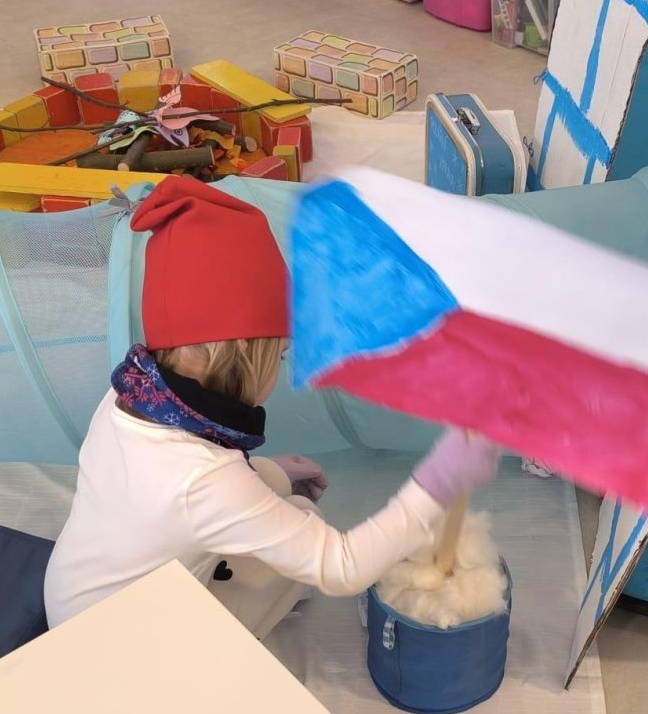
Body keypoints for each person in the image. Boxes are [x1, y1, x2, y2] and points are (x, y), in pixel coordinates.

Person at [44, 176, 499, 637]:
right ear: (243, 349)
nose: (281, 371)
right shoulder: (207, 481)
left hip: (73, 599)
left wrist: (271, 474)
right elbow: (341, 566)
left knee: (295, 514)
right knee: (299, 543)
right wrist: (439, 481)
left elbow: (168, 497)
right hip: (111, 648)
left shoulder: (129, 396)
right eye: (279, 356)